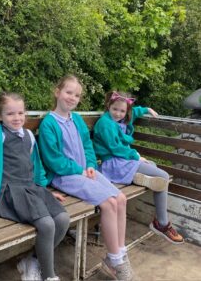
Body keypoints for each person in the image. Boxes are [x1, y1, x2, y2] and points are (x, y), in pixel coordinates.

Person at [38, 75, 134, 281]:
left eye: (77, 95)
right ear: (57, 92)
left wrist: (90, 165)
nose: (72, 98)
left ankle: (118, 254)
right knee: (108, 204)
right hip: (64, 176)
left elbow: (88, 146)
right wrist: (80, 170)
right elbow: (53, 159)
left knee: (121, 199)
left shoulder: (78, 119)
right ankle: (116, 261)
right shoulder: (49, 123)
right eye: (68, 92)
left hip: (85, 172)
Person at [0, 92, 69, 281]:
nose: (17, 118)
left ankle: (33, 261)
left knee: (62, 219)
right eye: (10, 114)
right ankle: (49, 277)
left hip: (31, 188)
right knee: (46, 224)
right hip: (8, 192)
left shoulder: (28, 135)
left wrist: (46, 190)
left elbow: (36, 167)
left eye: (20, 113)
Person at [93, 91, 184, 245]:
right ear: (108, 106)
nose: (118, 114)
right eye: (115, 109)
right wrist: (136, 156)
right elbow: (114, 148)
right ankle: (161, 224)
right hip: (112, 164)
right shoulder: (105, 123)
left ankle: (134, 177)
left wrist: (147, 109)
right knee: (163, 176)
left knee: (153, 166)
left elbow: (133, 111)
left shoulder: (123, 118)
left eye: (122, 111)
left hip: (122, 161)